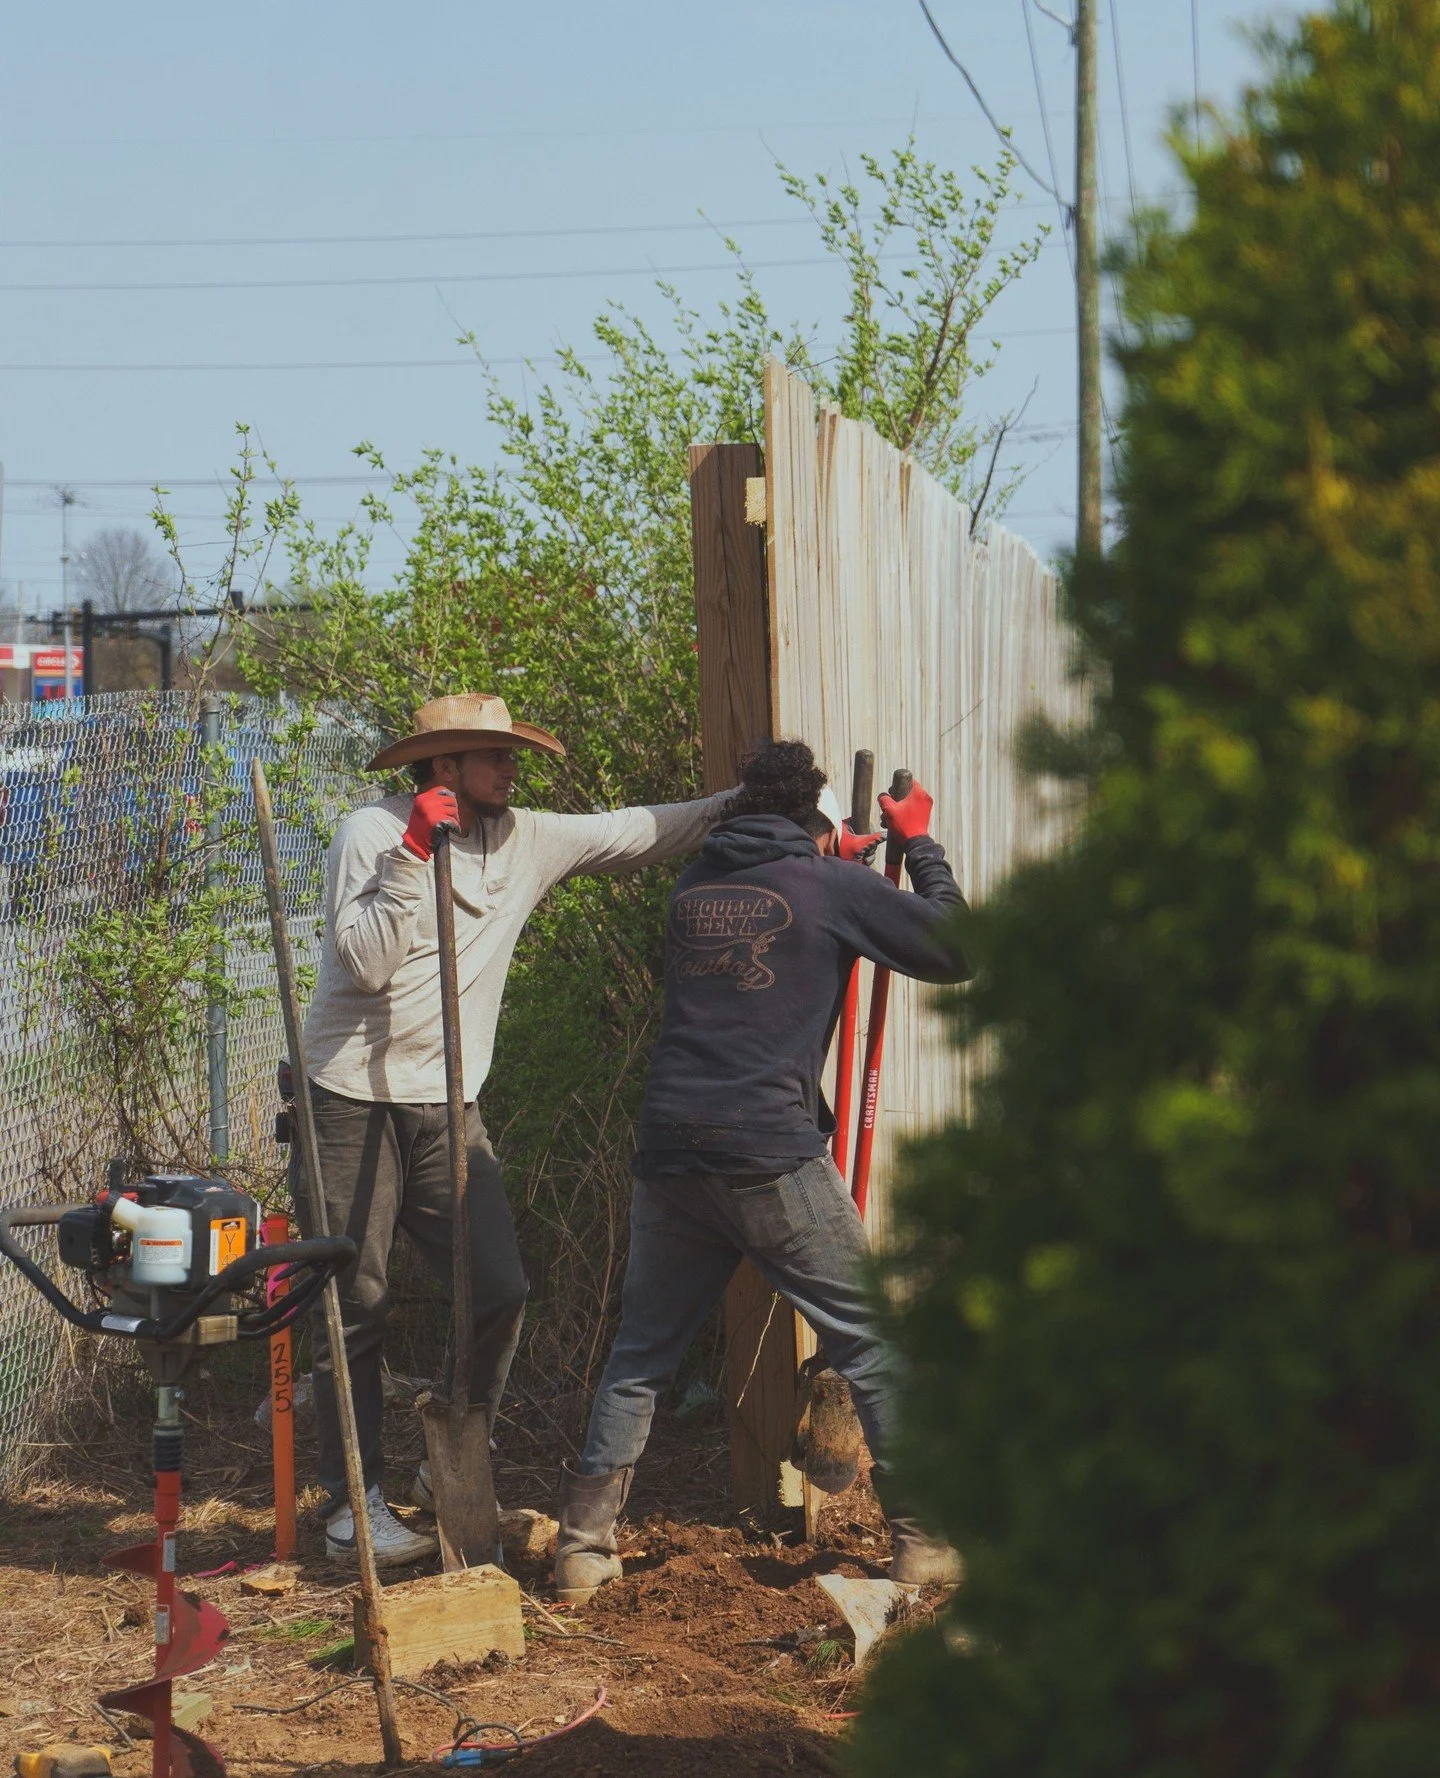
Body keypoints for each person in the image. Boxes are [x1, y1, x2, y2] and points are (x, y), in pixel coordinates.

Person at [296, 692, 732, 1566]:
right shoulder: (372, 835)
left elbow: (638, 829)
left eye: (509, 754)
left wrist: (759, 800)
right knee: (355, 1302)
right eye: (492, 755)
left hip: (450, 1105)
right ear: (443, 765)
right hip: (349, 1097)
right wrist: (416, 851)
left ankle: (449, 1452)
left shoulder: (526, 837)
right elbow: (369, 966)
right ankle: (353, 1505)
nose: (510, 768)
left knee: (498, 1284)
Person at [553, 739, 972, 1602]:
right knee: (873, 1341)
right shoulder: (831, 887)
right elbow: (954, 946)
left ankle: (582, 1551)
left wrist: (837, 864)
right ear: (814, 822)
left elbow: (774, 902)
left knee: (640, 1355)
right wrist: (917, 846)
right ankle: (924, 1544)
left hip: (670, 1149)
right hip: (766, 1152)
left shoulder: (694, 887)